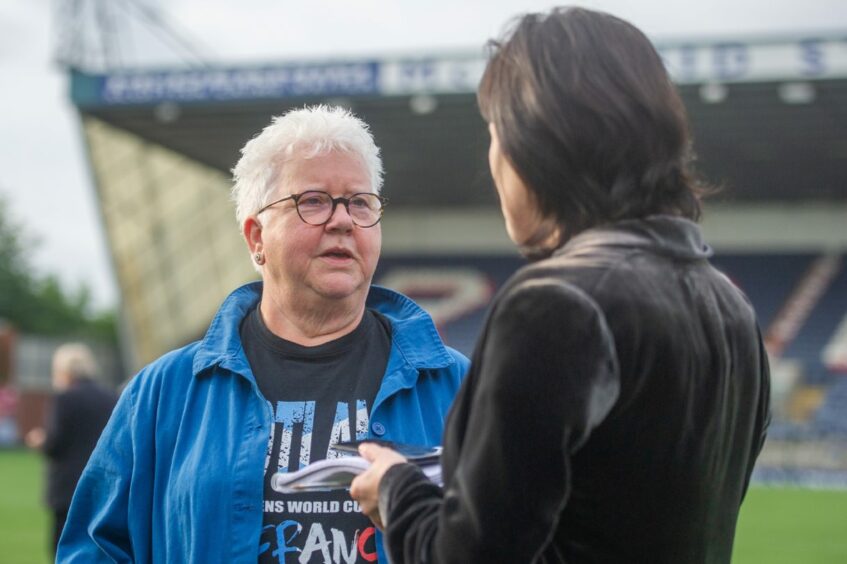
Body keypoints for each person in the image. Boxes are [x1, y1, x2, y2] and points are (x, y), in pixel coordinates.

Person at [350, 7, 772, 563]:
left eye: (496, 133)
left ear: (537, 142)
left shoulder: (555, 304)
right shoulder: (730, 306)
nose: (493, 158)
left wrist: (398, 491)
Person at [58, 105, 469, 563]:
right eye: (312, 200)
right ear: (256, 238)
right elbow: (94, 551)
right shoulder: (163, 394)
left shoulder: (459, 387)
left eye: (359, 202)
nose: (342, 220)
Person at [24, 343, 117, 555]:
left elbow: (54, 443)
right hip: (103, 485)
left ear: (63, 371)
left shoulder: (64, 399)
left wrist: (39, 441)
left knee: (63, 550)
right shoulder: (111, 397)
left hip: (67, 488)